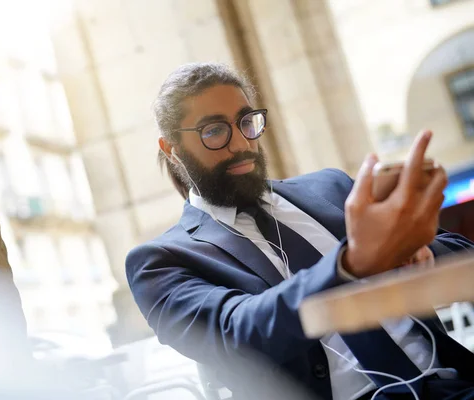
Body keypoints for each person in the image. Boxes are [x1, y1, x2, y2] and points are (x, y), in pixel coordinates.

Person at [125, 62, 474, 400]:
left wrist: (417, 255)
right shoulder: (159, 262)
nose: (241, 144)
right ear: (172, 149)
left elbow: (460, 250)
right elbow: (239, 334)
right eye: (214, 130)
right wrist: (351, 263)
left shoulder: (330, 187)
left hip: (452, 381)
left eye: (246, 122)